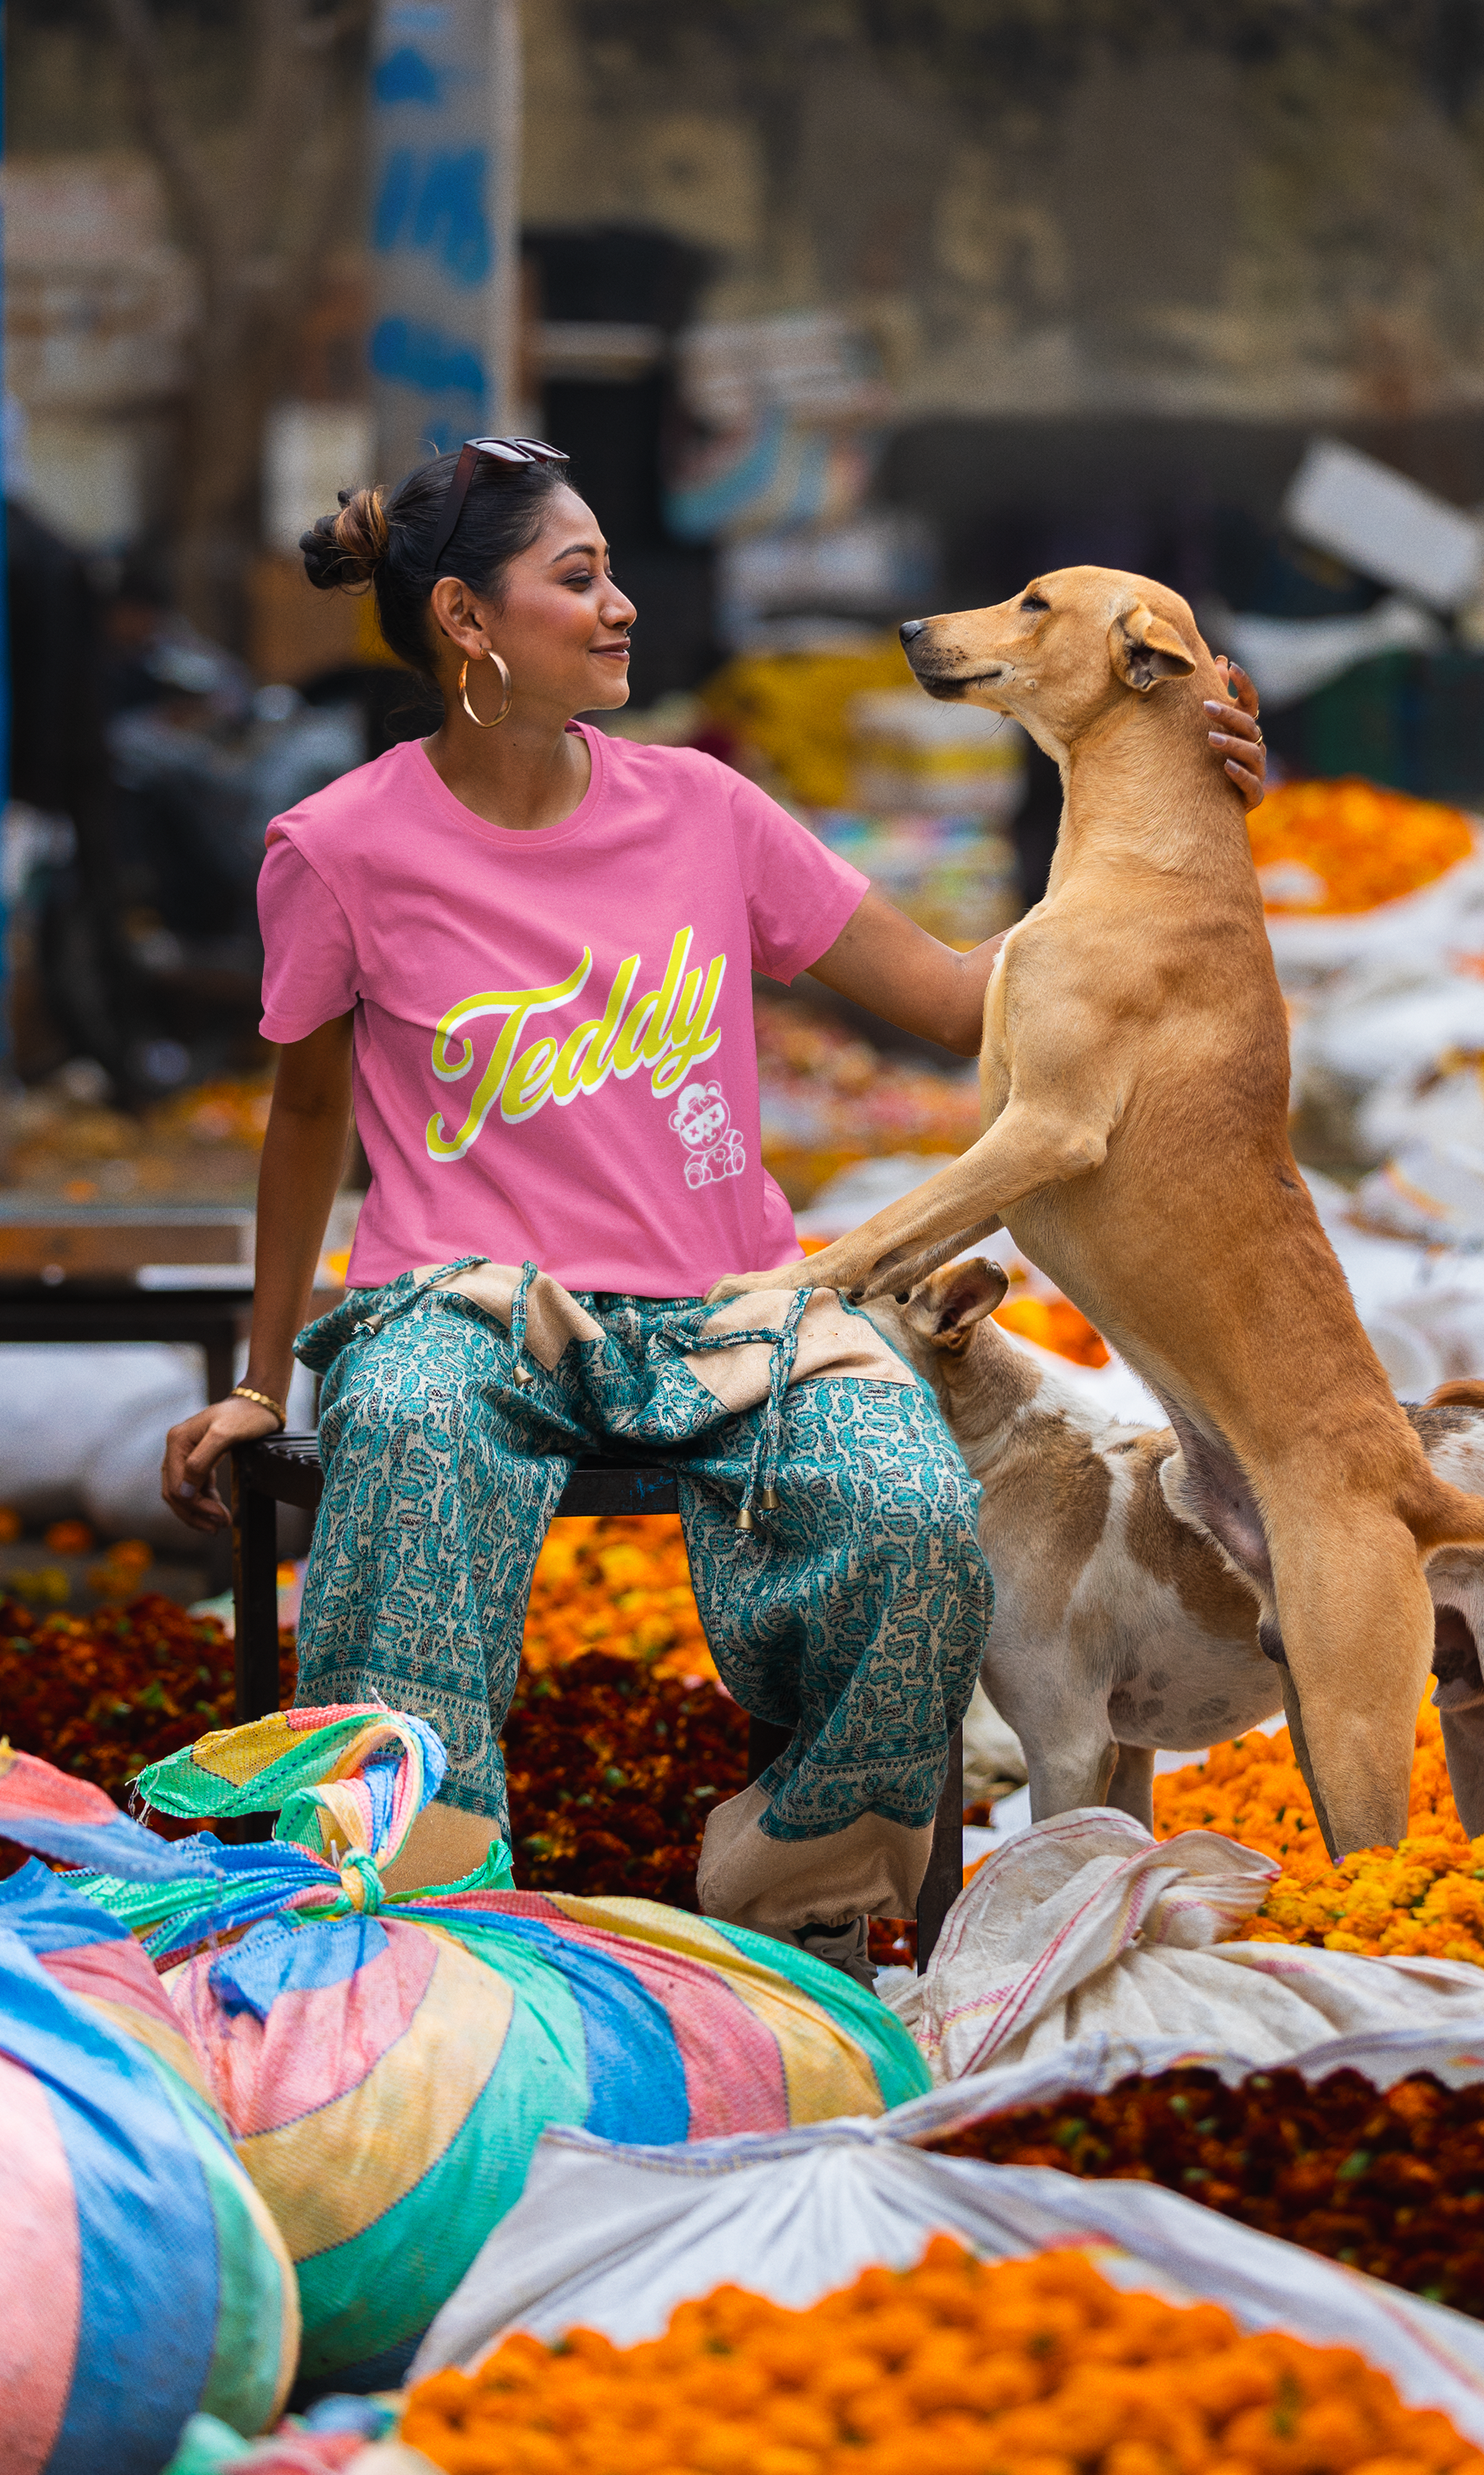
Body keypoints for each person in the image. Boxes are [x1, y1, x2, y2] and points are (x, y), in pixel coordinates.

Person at [161, 438, 1266, 1976]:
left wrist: (1164, 802)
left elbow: (961, 1005)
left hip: (737, 1308)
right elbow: (302, 1118)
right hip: (471, 1306)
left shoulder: (706, 811)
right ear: (469, 623)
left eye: (613, 574)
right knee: (406, 1439)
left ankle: (795, 1913)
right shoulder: (338, 849)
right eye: (579, 578)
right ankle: (399, 1927)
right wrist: (259, 1381)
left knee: (910, 1514)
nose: (621, 609)